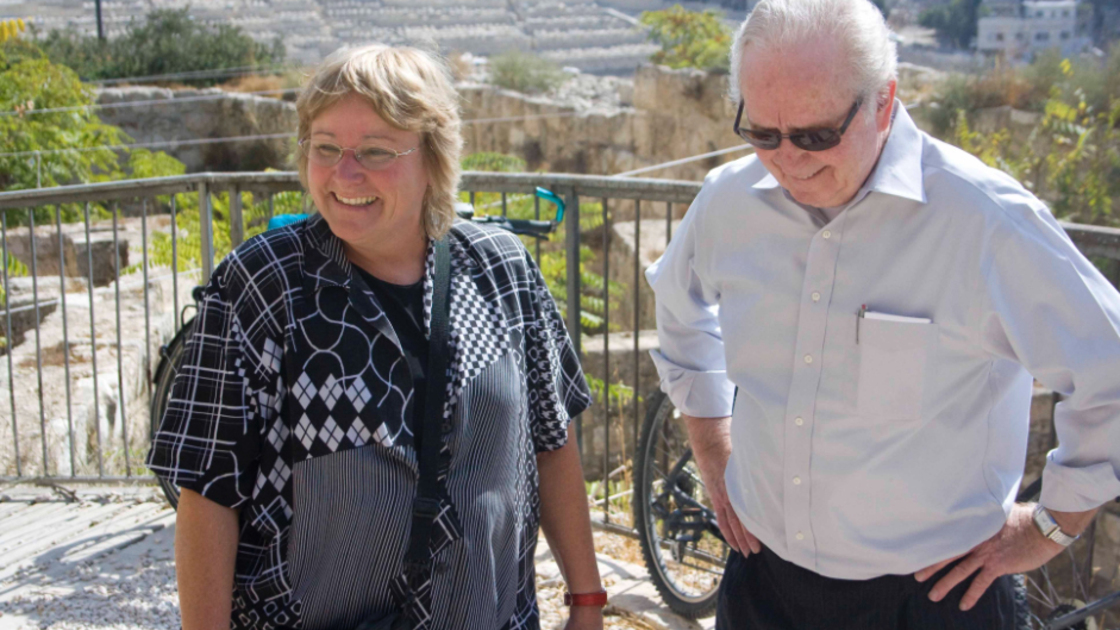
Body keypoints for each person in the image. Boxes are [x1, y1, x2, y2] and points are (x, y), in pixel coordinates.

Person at [645, 0, 1120, 628]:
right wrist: (710, 445)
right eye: (762, 133)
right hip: (762, 582)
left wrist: (1054, 525)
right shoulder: (727, 204)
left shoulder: (984, 222)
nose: (787, 159)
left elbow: (1110, 367)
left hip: (934, 599)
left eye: (815, 135)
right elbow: (680, 313)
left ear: (884, 101)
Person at [148, 44, 605, 630]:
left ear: (433, 158)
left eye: (374, 151)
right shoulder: (264, 286)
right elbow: (209, 491)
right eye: (326, 148)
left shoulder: (501, 271)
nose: (345, 173)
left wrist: (586, 600)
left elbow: (551, 437)